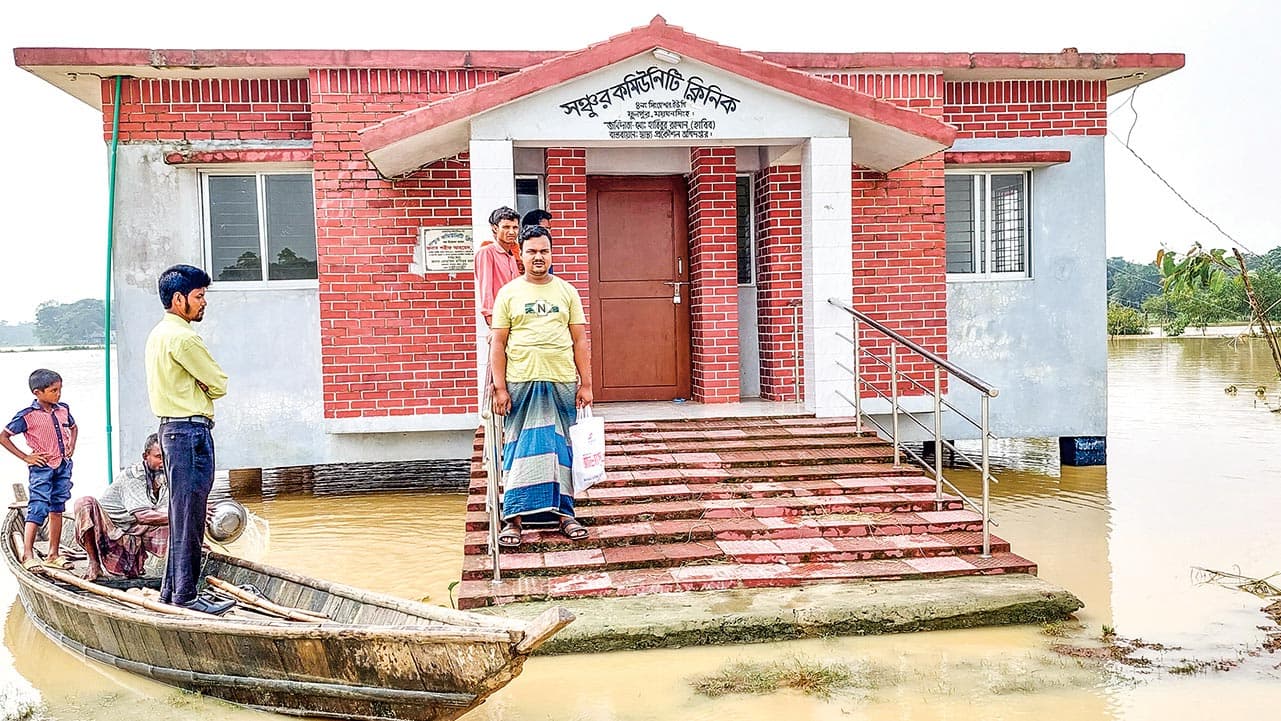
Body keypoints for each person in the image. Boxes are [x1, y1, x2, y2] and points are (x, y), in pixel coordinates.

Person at [490, 225, 593, 547]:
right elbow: (498, 343)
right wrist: (499, 387)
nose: (539, 257)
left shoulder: (566, 291)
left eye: (544, 251)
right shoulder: (508, 292)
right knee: (518, 448)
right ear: (520, 253)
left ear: (551, 254)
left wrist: (586, 384)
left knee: (562, 448)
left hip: (561, 380)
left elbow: (579, 340)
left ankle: (566, 515)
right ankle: (514, 520)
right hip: (521, 381)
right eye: (532, 251)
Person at [144, 264, 234, 616]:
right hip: (190, 432)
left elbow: (207, 382)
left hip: (171, 430)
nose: (203, 303)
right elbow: (219, 383)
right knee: (191, 514)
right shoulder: (184, 337)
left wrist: (200, 384)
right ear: (178, 299)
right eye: (199, 297)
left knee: (181, 512)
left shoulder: (158, 334)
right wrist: (204, 386)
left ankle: (172, 591)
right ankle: (185, 595)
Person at [1, 369, 76, 571]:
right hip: (41, 468)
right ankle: (27, 554)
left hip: (62, 465)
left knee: (57, 507)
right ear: (37, 392)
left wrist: (71, 447)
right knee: (38, 508)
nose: (58, 394)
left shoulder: (63, 410)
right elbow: (4, 437)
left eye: (59, 389)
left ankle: (53, 554)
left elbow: (73, 427)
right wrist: (26, 456)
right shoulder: (28, 416)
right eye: (53, 390)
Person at [74, 434, 169, 581]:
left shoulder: (166, 476)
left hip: (133, 530)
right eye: (159, 457)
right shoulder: (133, 476)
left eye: (167, 457)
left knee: (180, 525)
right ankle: (94, 563)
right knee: (84, 503)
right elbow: (142, 516)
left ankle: (178, 575)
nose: (164, 462)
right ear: (145, 456)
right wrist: (182, 515)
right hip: (108, 528)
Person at [475, 206, 523, 326]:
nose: (512, 232)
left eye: (515, 227)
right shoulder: (487, 252)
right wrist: (492, 323)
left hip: (518, 316)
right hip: (500, 319)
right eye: (506, 227)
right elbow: (486, 290)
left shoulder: (513, 255)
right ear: (495, 228)